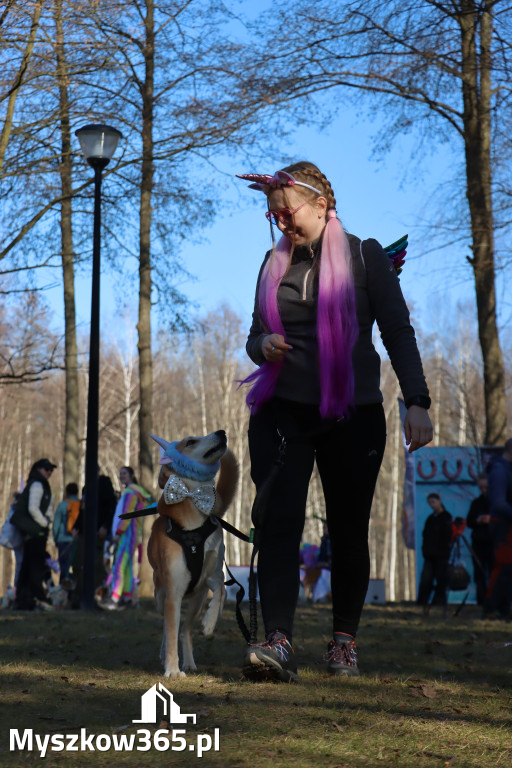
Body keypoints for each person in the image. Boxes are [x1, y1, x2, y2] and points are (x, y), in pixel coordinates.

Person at [237, 162, 433, 681]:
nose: (280, 223)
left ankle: (343, 641)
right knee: (279, 525)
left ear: (321, 204)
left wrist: (418, 399)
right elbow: (254, 333)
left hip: (354, 414)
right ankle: (278, 639)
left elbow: (397, 330)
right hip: (284, 413)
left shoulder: (366, 257)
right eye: (272, 214)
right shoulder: (271, 262)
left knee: (349, 530)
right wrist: (262, 345)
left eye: (287, 211)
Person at [101, 466, 151, 610]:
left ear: (131, 475)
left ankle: (114, 598)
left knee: (118, 566)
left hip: (126, 535)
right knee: (127, 568)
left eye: (124, 473)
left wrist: (118, 533)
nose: (121, 475)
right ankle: (128, 598)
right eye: (120, 473)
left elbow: (126, 515)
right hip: (132, 535)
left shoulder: (131, 493)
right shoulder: (133, 492)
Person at [14, 458, 57, 610]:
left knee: (27, 566)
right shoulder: (38, 485)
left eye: (51, 470)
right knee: (35, 566)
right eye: (47, 469)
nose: (50, 472)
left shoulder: (40, 485)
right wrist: (44, 524)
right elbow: (33, 508)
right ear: (38, 469)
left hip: (33, 532)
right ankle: (36, 597)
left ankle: (23, 599)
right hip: (35, 532)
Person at [485, 438, 512, 619]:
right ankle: (492, 609)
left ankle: (502, 609)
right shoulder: (500, 471)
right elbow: (498, 503)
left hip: (506, 525)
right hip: (503, 528)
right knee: (503, 568)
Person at [416, 493, 453, 615]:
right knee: (426, 579)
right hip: (429, 555)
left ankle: (439, 601)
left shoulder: (446, 518)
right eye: (429, 503)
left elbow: (448, 536)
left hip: (441, 555)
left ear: (439, 501)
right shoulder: (430, 519)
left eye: (433, 502)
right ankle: (422, 601)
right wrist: (425, 550)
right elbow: (425, 535)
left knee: (441, 579)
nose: (432, 505)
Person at [466, 473, 493, 606]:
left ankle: (495, 600)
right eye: (481, 487)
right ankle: (481, 600)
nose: (483, 490)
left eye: (485, 487)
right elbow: (469, 521)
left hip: (494, 542)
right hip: (478, 542)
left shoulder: (497, 503)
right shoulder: (476, 503)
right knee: (479, 573)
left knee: (495, 571)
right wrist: (478, 520)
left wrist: (491, 519)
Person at [52, 482, 80, 583]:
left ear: (66, 492)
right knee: (77, 566)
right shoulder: (81, 504)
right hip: (77, 540)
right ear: (77, 492)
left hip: (63, 540)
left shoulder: (62, 505)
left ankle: (63, 592)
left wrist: (56, 539)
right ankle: (75, 591)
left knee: (64, 567)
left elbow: (56, 525)